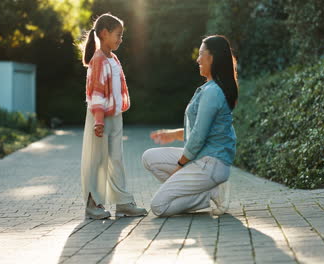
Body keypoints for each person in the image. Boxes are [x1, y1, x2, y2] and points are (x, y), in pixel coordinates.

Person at [142, 35, 238, 217]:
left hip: (211, 163)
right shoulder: (210, 88)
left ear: (213, 58)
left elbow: (199, 136)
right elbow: (201, 129)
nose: (198, 59)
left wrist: (180, 165)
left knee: (159, 207)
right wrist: (172, 135)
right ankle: (208, 191)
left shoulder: (213, 92)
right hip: (202, 158)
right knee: (149, 157)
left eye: (202, 54)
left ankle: (210, 193)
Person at [80, 13, 147, 219]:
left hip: (115, 116)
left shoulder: (113, 58)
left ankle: (123, 202)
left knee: (116, 159)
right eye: (118, 35)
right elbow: (96, 92)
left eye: (122, 35)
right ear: (104, 33)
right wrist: (99, 120)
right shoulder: (98, 59)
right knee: (97, 160)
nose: (120, 39)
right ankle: (93, 204)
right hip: (100, 118)